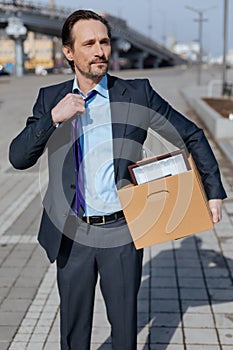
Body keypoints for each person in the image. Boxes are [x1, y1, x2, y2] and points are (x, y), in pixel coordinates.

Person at [9, 9, 226, 350]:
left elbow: (192, 135)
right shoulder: (50, 99)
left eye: (105, 42)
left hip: (122, 232)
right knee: (73, 332)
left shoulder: (137, 93)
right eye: (90, 43)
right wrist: (53, 118)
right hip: (72, 233)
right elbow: (18, 158)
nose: (100, 51)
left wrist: (213, 191)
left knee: (124, 330)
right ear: (69, 52)